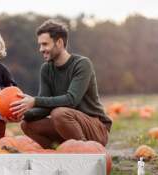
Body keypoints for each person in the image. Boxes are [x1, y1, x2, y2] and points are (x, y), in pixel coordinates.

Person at [9, 19, 112, 148]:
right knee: (27, 124)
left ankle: (87, 153)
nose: (41, 49)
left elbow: (71, 100)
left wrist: (34, 101)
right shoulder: (46, 69)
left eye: (45, 44)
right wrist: (21, 114)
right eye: (40, 45)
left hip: (95, 128)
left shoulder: (82, 64)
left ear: (59, 42)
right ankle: (57, 156)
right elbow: (44, 108)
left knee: (59, 113)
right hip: (66, 126)